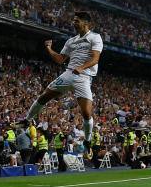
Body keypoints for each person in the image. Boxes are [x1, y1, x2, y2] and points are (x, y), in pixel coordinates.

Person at [17, 12, 103, 153]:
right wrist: (49, 48)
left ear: (86, 23)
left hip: (84, 76)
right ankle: (27, 120)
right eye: (74, 20)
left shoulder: (95, 37)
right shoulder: (71, 41)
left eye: (77, 21)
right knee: (44, 96)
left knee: (86, 113)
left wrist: (81, 67)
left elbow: (95, 59)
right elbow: (60, 59)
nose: (74, 23)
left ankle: (87, 140)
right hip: (69, 73)